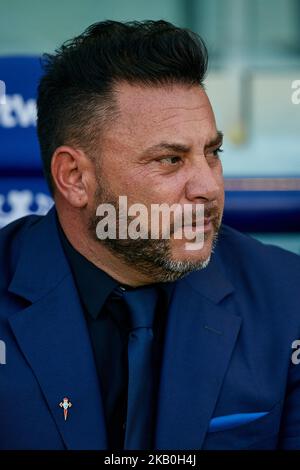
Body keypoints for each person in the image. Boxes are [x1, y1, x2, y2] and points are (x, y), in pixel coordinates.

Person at [0, 19, 300, 451]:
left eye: (212, 153)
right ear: (75, 177)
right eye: (169, 160)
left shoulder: (287, 298)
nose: (208, 186)